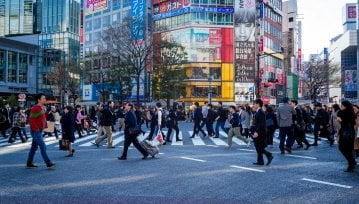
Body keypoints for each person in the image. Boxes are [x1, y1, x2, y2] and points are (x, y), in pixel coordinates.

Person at [26, 93, 55, 169]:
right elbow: (31, 120)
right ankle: (48, 162)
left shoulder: (42, 108)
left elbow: (42, 118)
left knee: (33, 147)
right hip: (36, 130)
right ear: (39, 100)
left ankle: (29, 162)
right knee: (43, 146)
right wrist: (36, 129)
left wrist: (48, 112)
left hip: (39, 130)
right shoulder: (35, 108)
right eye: (43, 98)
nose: (45, 100)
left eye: (45, 98)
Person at [336, 101, 356, 172]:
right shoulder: (351, 112)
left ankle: (351, 163)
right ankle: (352, 162)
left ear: (345, 106)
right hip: (351, 133)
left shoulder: (342, 112)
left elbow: (341, 122)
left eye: (342, 105)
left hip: (345, 133)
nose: (341, 107)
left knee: (342, 148)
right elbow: (353, 123)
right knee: (349, 149)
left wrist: (339, 120)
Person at [252, 99, 273, 166]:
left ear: (258, 104)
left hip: (260, 132)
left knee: (258, 146)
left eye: (255, 103)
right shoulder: (258, 111)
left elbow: (261, 124)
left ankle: (269, 155)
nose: (254, 105)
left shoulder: (260, 112)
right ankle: (260, 161)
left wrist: (256, 132)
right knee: (258, 146)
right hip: (259, 131)